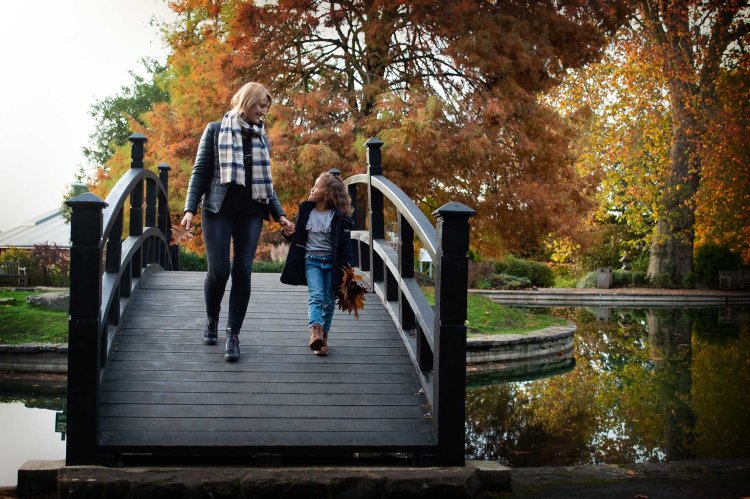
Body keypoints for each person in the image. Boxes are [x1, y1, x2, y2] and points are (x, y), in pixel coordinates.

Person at [181, 82, 293, 362]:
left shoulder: (261, 138)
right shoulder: (215, 130)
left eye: (266, 108)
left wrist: (280, 215)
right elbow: (200, 172)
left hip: (251, 213)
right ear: (247, 102)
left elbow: (267, 185)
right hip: (218, 210)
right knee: (219, 270)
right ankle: (212, 319)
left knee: (242, 270)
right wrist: (189, 209)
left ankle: (233, 334)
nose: (263, 112)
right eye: (260, 106)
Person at [280, 172, 354, 356]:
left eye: (317, 186)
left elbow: (345, 248)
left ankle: (323, 337)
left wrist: (348, 273)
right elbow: (298, 238)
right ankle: (315, 330)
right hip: (311, 261)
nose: (312, 188)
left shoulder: (338, 218)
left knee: (329, 301)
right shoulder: (306, 211)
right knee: (317, 296)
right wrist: (288, 233)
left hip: (332, 263)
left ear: (328, 193)